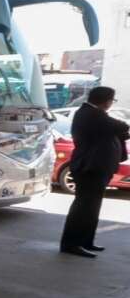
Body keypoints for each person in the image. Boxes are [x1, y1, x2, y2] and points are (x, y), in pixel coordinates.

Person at [60, 87, 130, 258]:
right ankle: (72, 244)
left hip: (97, 167)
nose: (111, 104)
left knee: (92, 207)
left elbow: (119, 131)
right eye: (112, 100)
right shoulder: (92, 114)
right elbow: (122, 126)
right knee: (84, 207)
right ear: (105, 100)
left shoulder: (93, 114)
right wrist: (120, 131)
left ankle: (85, 241)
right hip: (89, 167)